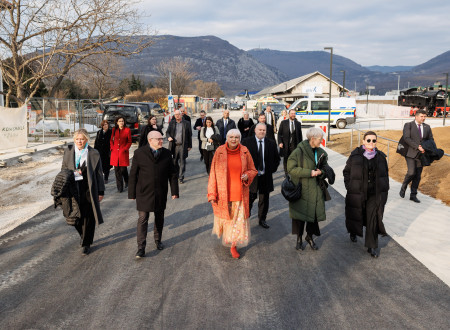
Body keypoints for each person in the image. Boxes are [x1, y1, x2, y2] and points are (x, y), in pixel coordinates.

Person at [208, 129, 257, 259]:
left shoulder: (245, 151)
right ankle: (229, 238)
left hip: (240, 194)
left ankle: (233, 245)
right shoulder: (219, 152)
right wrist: (212, 194)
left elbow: (253, 169)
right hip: (223, 193)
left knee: (237, 223)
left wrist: (247, 175)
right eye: (231, 137)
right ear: (226, 138)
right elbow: (212, 173)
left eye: (236, 137)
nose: (234, 139)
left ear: (240, 138)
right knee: (227, 221)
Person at [129, 131, 179, 258]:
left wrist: (174, 191)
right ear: (150, 140)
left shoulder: (167, 154)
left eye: (162, 139)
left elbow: (173, 174)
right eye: (159, 139)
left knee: (159, 217)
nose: (161, 141)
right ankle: (141, 248)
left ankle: (158, 240)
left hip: (160, 191)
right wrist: (132, 193)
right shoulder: (139, 153)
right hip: (143, 192)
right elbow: (133, 174)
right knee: (143, 218)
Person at [343, 131, 389, 258]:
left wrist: (384, 190)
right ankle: (353, 231)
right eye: (368, 140)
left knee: (372, 218)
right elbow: (346, 172)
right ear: (363, 141)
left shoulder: (380, 157)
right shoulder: (355, 156)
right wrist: (350, 186)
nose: (371, 143)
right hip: (358, 192)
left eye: (374, 140)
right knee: (356, 214)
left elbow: (385, 175)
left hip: (374, 194)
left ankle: (372, 246)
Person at [62, 129, 104, 255]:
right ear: (74, 140)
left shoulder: (93, 153)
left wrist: (100, 191)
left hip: (88, 188)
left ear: (86, 140)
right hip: (73, 187)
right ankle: (83, 235)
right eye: (77, 139)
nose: (79, 141)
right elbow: (63, 169)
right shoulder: (68, 151)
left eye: (82, 139)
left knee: (88, 215)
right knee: (75, 215)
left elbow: (99, 174)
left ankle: (86, 243)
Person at [287, 127, 328, 252]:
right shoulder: (298, 151)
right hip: (302, 189)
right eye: (320, 139)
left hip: (316, 190)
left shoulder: (321, 152)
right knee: (300, 217)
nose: (322, 141)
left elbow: (326, 168)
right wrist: (309, 172)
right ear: (313, 139)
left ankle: (309, 237)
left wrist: (322, 172)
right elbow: (291, 169)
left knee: (313, 217)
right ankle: (299, 238)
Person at [242, 123, 280, 229]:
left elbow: (277, 159)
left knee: (264, 199)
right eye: (260, 130)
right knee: (250, 198)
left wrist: (271, 170)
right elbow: (241, 159)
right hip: (251, 177)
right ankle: (245, 218)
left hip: (265, 176)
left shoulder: (271, 143)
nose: (262, 132)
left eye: (264, 130)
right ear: (255, 130)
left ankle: (262, 219)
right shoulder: (246, 142)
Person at [399, 109, 434, 203]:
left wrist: (428, 148)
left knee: (418, 176)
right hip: (410, 153)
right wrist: (417, 147)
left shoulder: (427, 127)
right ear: (416, 116)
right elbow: (406, 138)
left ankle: (413, 195)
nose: (423, 118)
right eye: (422, 116)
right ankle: (404, 186)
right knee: (411, 172)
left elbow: (431, 139)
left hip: (421, 155)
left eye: (425, 116)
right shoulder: (408, 125)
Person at [166, 109, 192, 184]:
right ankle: (177, 174)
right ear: (174, 115)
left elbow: (189, 135)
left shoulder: (186, 123)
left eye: (178, 114)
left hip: (183, 145)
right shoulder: (172, 123)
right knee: (174, 162)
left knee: (182, 161)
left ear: (181, 114)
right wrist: (168, 137)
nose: (177, 116)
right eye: (176, 114)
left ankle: (181, 177)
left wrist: (190, 145)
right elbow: (167, 132)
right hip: (174, 145)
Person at [110, 116, 132, 192]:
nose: (121, 122)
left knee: (123, 170)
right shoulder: (114, 130)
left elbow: (129, 141)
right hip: (115, 153)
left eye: (122, 121)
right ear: (117, 122)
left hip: (123, 152)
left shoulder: (127, 130)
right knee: (117, 171)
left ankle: (127, 180)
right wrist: (112, 148)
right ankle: (120, 187)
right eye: (119, 121)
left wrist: (125, 148)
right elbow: (111, 140)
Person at [278, 109, 303, 175]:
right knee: (286, 159)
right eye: (292, 113)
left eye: (294, 113)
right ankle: (286, 173)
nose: (293, 115)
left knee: (295, 159)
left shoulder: (298, 124)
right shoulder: (284, 123)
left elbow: (300, 135)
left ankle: (293, 172)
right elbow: (279, 134)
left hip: (295, 145)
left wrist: (301, 145)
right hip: (286, 145)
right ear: (289, 114)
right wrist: (280, 142)